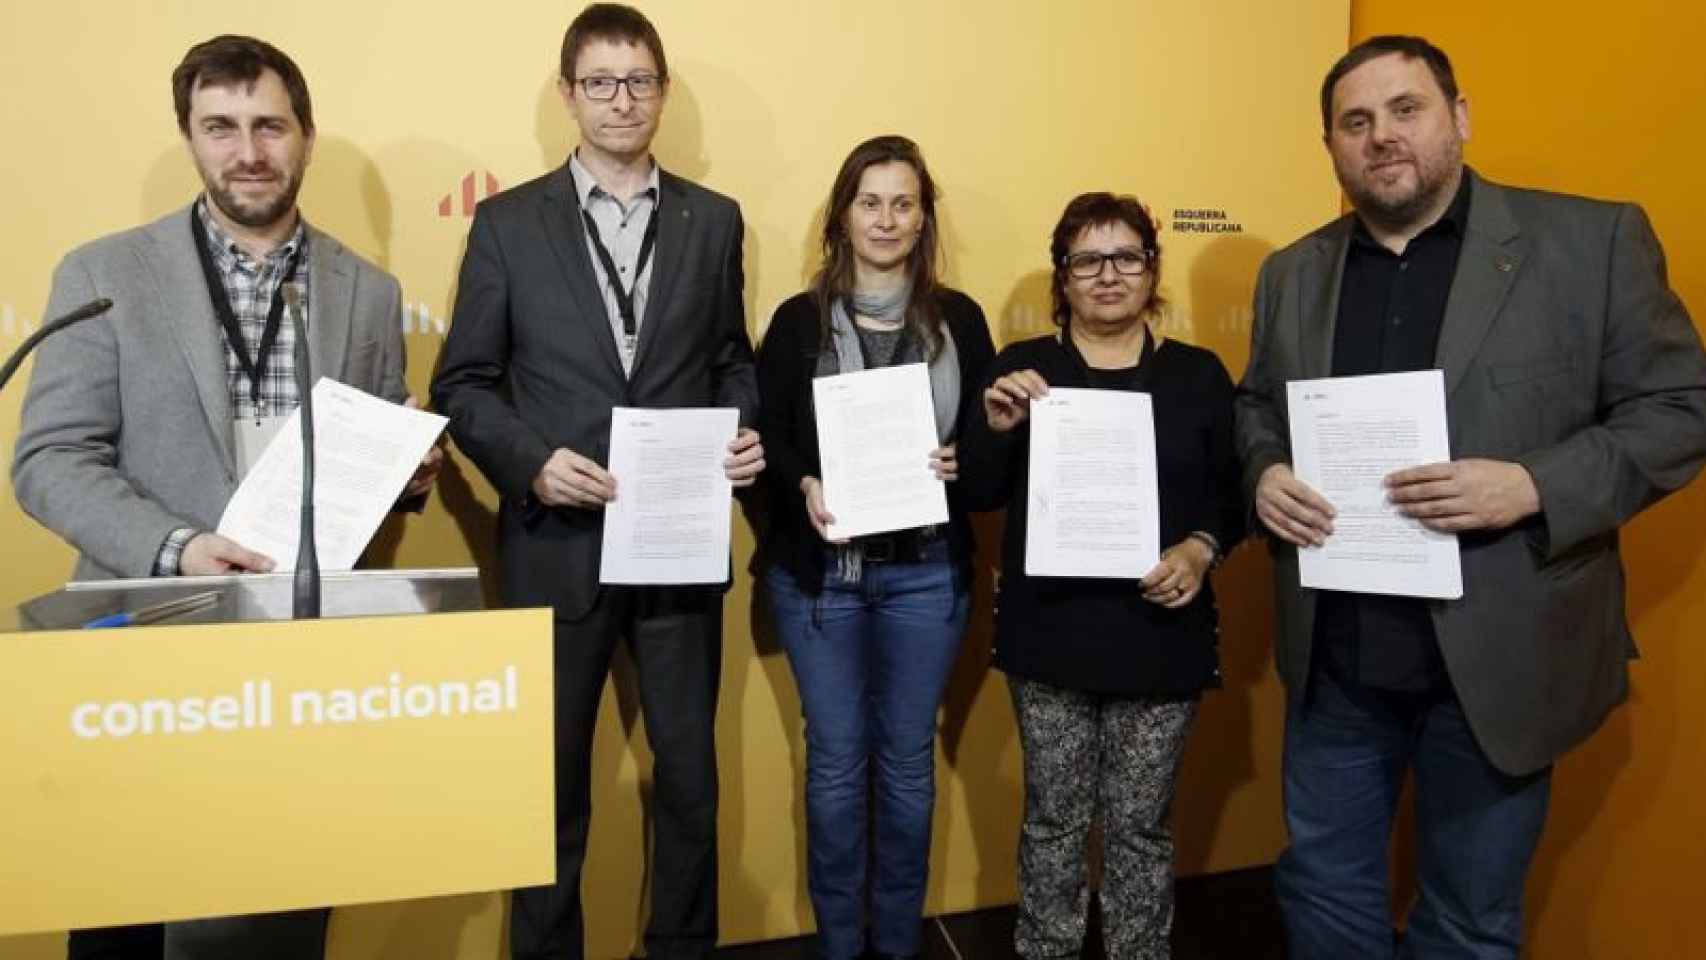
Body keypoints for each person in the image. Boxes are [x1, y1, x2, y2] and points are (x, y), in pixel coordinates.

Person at [1234, 34, 1706, 959]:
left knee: (1471, 922)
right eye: (1354, 122)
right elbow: (1258, 403)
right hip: (1336, 659)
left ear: (1459, 118)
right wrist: (1262, 472)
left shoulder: (1591, 242)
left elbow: (1681, 408)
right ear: (1330, 145)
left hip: (1500, 663)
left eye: (1404, 110)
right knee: (1325, 902)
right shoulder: (1292, 273)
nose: (1380, 137)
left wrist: (1533, 484)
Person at [11, 34, 440, 960]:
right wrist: (177, 545)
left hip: (303, 658)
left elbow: (361, 474)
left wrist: (406, 479)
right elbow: (48, 458)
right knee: (125, 908)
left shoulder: (369, 292)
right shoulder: (102, 274)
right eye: (222, 127)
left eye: (269, 126)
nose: (248, 150)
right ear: (191, 137)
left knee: (289, 904)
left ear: (307, 137)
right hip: (144, 648)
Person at [428, 5, 762, 958]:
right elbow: (463, 382)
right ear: (567, 93)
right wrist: (531, 462)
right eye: (602, 82)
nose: (623, 100)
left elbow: (733, 360)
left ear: (663, 91)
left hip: (678, 548)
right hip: (556, 551)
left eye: (641, 81)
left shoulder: (714, 220)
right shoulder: (506, 223)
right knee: (548, 795)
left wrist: (742, 430)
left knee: (691, 785)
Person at [958, 193, 1243, 960]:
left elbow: (1234, 493)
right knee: (1052, 818)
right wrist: (994, 427)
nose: (1108, 275)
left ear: (1153, 270)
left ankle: (1137, 950)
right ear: (1063, 278)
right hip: (1050, 632)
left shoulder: (1197, 375)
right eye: (1087, 260)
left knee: (1141, 825)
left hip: (1161, 636)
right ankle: (1045, 947)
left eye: (1126, 257)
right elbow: (978, 491)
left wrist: (1200, 549)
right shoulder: (1024, 371)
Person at [753, 134, 994, 960]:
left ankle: (895, 945)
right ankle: (837, 947)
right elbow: (770, 441)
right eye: (870, 202)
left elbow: (991, 456)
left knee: (905, 766)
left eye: (903, 203)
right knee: (834, 769)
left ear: (923, 217)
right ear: (842, 215)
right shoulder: (797, 321)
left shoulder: (959, 320)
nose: (886, 219)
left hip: (928, 578)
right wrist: (803, 487)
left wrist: (965, 462)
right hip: (824, 580)